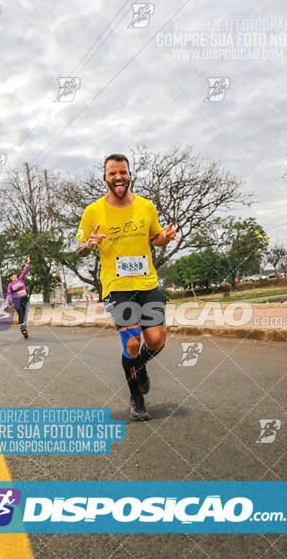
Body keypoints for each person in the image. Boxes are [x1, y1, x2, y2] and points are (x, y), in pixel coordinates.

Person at [76, 154, 178, 421]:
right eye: (112, 173)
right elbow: (78, 248)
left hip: (147, 283)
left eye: (122, 172)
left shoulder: (146, 207)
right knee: (132, 343)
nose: (118, 177)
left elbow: (155, 238)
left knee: (155, 342)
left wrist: (165, 238)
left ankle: (139, 366)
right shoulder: (93, 212)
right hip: (116, 287)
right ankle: (136, 397)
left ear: (129, 175)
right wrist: (89, 244)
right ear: (105, 178)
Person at [5, 255, 30, 338]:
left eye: (14, 275)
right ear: (10, 279)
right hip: (17, 301)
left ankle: (23, 326)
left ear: (16, 276)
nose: (13, 277)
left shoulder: (21, 279)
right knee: (21, 314)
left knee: (25, 314)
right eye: (11, 277)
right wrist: (6, 303)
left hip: (24, 299)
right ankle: (23, 329)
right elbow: (9, 295)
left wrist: (27, 263)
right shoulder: (10, 285)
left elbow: (24, 271)